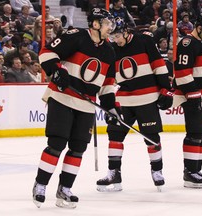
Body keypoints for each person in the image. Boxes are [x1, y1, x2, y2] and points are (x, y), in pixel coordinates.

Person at [33, 8, 117, 209]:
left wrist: (111, 108)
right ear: (95, 24)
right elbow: (47, 52)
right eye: (106, 24)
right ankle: (41, 184)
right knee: (56, 143)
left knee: (78, 148)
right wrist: (57, 70)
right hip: (62, 98)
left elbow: (107, 85)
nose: (110, 28)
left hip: (86, 105)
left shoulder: (109, 51)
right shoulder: (76, 36)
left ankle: (65, 189)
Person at [96, 17, 173, 192]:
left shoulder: (144, 40)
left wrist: (165, 89)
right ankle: (114, 173)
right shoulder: (110, 49)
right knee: (114, 135)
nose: (115, 40)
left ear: (126, 31)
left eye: (117, 36)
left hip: (147, 97)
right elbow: (107, 77)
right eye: (112, 37)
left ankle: (157, 170)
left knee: (151, 136)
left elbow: (158, 65)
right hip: (123, 100)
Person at [173, 13, 202, 189]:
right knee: (194, 133)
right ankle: (189, 172)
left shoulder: (201, 43)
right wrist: (193, 94)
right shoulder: (187, 43)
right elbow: (182, 72)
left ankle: (196, 170)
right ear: (198, 28)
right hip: (193, 96)